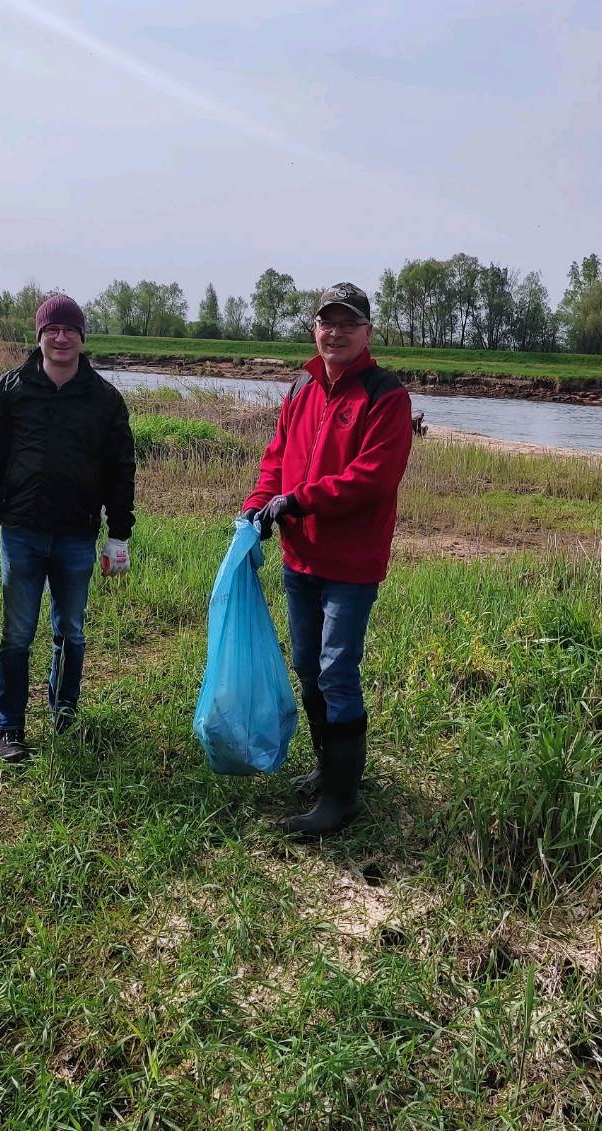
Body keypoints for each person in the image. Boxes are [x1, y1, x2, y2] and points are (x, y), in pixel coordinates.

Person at [242, 283, 413, 836]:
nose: (335, 332)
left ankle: (341, 799)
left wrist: (299, 500)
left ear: (367, 332)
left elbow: (373, 478)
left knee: (337, 670)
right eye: (327, 322)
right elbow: (277, 460)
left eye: (348, 323)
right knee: (308, 668)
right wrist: (256, 506)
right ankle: (326, 767)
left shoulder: (387, 395)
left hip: (351, 563)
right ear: (315, 329)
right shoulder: (301, 387)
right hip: (301, 557)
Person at [0, 294, 135, 764]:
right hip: (21, 531)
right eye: (52, 329)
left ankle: (64, 706)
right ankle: (9, 726)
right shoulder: (12, 388)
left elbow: (121, 468)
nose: (61, 337)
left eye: (70, 329)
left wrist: (119, 534)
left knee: (71, 629)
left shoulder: (104, 398)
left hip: (77, 534)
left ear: (81, 338)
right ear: (39, 336)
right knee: (17, 633)